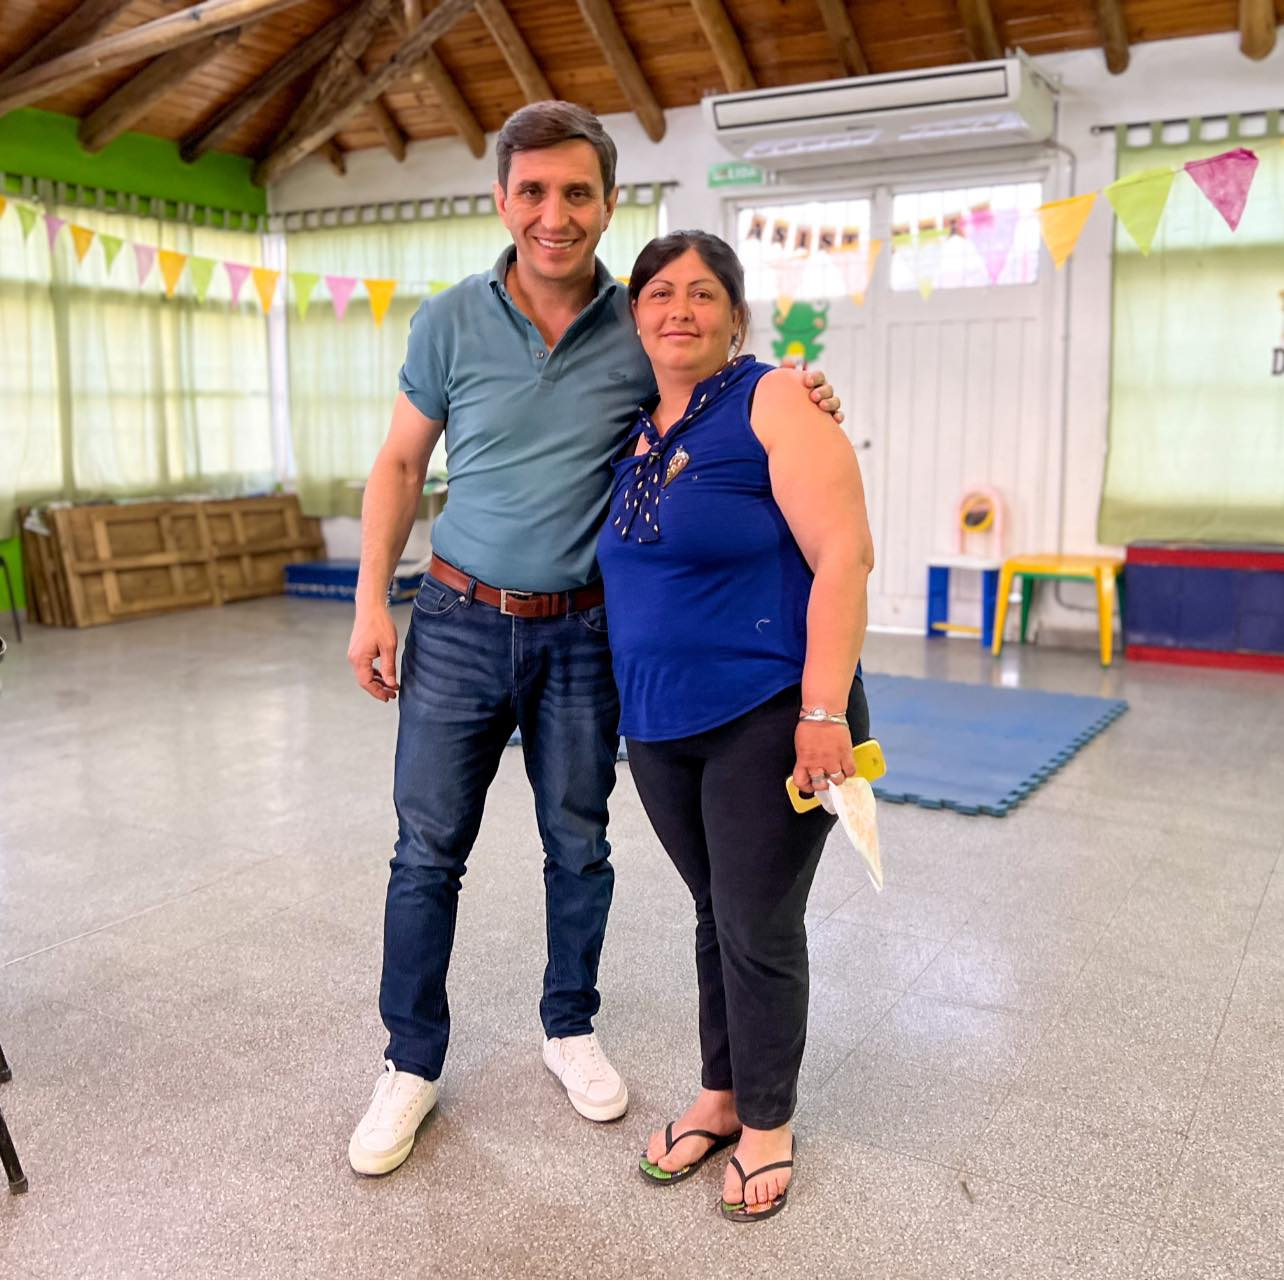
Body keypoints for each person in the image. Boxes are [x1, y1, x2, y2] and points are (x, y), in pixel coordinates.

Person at [344, 102, 842, 1177]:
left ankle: (568, 1025)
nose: (554, 214)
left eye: (577, 193)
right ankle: (410, 1062)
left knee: (579, 845)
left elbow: (722, 391)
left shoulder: (642, 318)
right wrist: (371, 600)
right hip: (457, 619)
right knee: (426, 850)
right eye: (533, 191)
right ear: (501, 199)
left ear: (610, 203)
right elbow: (399, 463)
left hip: (581, 634)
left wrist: (802, 387)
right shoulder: (447, 320)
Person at [596, 230, 874, 1220]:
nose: (680, 308)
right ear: (635, 317)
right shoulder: (630, 432)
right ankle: (719, 1093)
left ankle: (766, 1122)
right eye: (660, 293)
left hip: (774, 710)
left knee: (757, 921)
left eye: (703, 293)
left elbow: (845, 555)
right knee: (716, 911)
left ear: (736, 317)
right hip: (660, 721)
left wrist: (822, 711)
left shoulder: (776, 399)